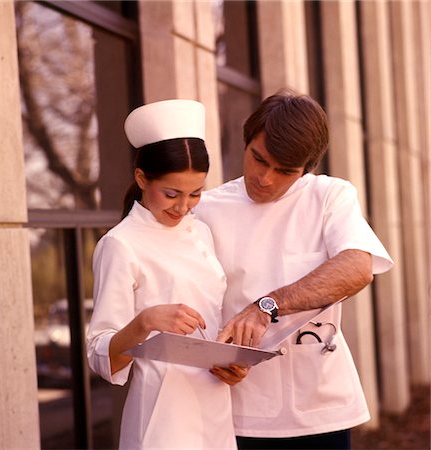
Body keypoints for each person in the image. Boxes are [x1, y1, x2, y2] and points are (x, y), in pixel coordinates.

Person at [195, 89, 394, 450]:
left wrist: (266, 305)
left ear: (306, 170)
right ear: (246, 141)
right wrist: (216, 356)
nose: (266, 178)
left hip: (321, 410)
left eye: (284, 171)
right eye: (259, 159)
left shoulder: (330, 196)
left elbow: (357, 267)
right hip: (239, 411)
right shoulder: (207, 210)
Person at [86, 99, 246, 450]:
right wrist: (145, 321)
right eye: (171, 193)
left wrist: (230, 361)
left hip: (215, 408)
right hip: (162, 418)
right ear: (141, 178)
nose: (183, 206)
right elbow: (99, 354)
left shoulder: (200, 232)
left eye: (195, 194)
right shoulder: (120, 245)